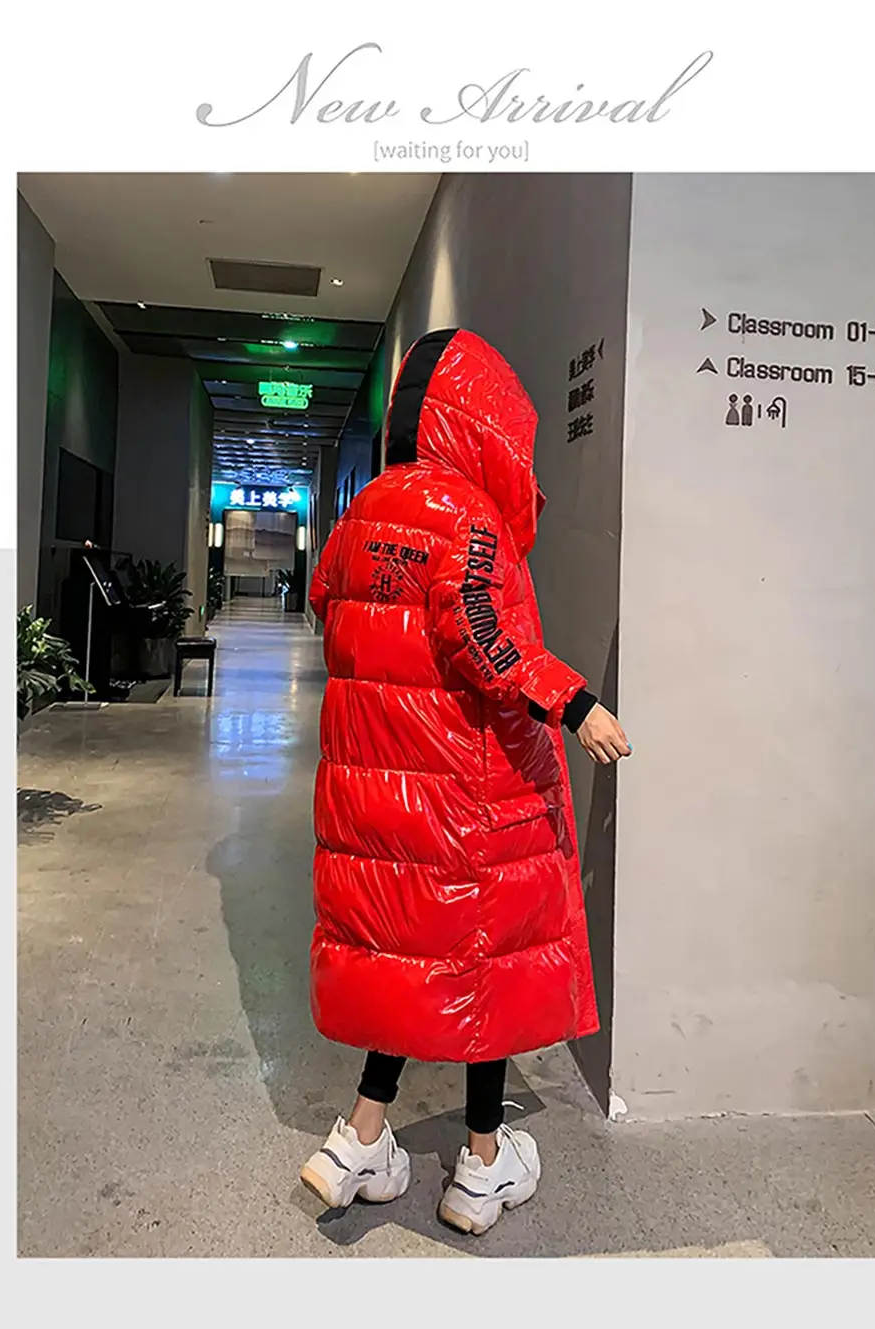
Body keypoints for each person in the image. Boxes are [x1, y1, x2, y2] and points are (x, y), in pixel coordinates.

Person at [300, 328, 631, 1235]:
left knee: (409, 961)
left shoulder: (362, 512)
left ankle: (359, 1139)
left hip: (372, 796)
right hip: (462, 794)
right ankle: (481, 1167)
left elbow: (330, 607)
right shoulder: (468, 518)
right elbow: (486, 638)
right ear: (481, 424)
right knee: (484, 974)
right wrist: (576, 702)